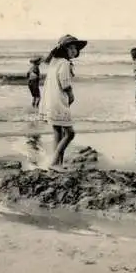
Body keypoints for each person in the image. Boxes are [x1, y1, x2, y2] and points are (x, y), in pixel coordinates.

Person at [39, 34, 87, 172]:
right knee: (70, 134)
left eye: (75, 49)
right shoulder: (64, 63)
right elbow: (65, 83)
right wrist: (71, 95)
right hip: (58, 101)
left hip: (50, 100)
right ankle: (54, 163)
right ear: (64, 49)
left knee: (58, 132)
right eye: (71, 48)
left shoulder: (55, 61)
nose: (74, 51)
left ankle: (57, 163)